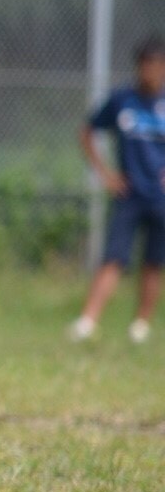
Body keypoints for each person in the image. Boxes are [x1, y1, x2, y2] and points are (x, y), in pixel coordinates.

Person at [68, 36, 165, 344]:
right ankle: (88, 321)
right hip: (130, 194)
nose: (149, 71)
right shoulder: (122, 99)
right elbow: (87, 131)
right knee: (113, 257)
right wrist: (106, 174)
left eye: (155, 65)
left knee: (154, 261)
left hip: (161, 197)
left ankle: (141, 325)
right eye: (144, 65)